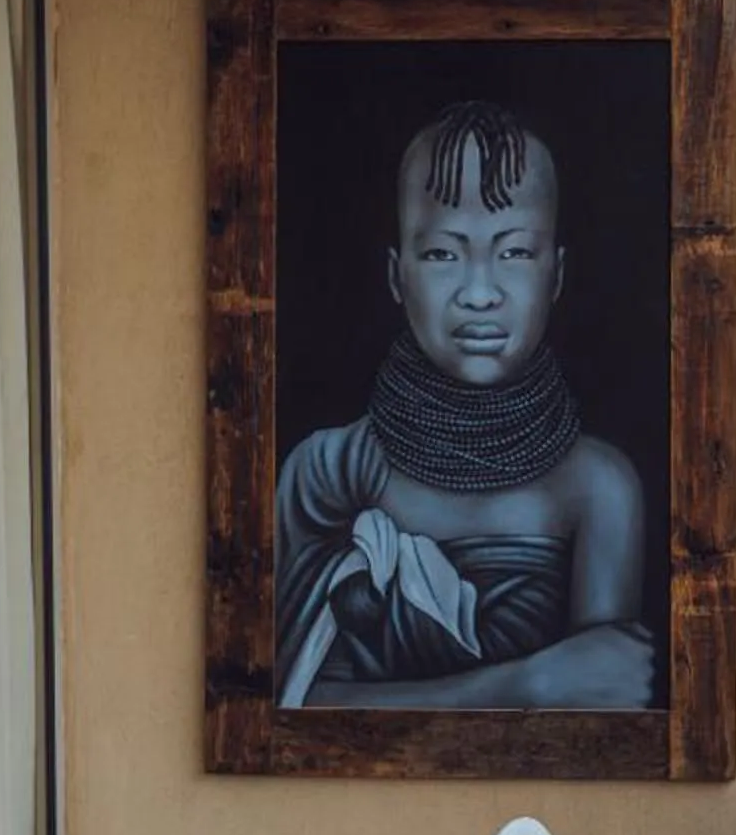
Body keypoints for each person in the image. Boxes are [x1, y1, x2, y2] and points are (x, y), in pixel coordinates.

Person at [276, 98, 653, 710]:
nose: (480, 294)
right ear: (398, 277)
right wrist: (530, 685)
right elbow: (286, 713)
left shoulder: (599, 487)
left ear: (555, 276)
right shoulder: (328, 475)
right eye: (443, 255)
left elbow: (608, 701)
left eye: (514, 253)